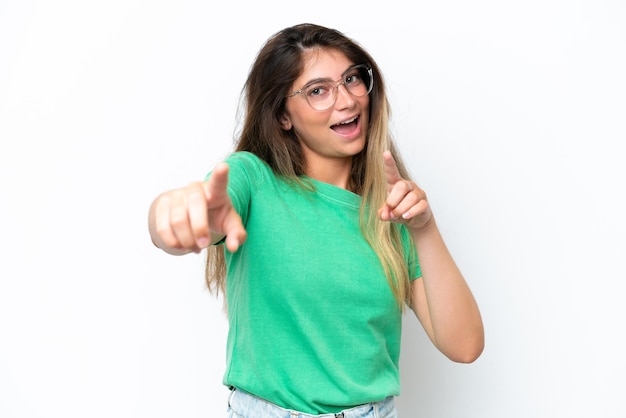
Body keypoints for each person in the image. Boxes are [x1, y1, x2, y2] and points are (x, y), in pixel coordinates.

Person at [148, 23, 484, 418]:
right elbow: (196, 215)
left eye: (351, 79)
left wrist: (424, 229)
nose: (346, 100)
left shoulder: (392, 209)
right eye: (318, 90)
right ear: (283, 115)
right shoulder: (254, 180)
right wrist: (174, 213)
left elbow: (464, 346)